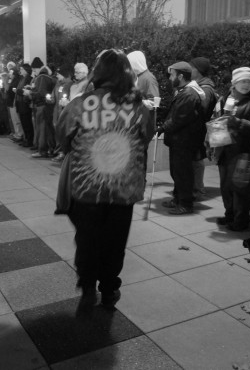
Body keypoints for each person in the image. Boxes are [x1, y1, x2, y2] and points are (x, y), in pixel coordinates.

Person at [56, 49, 154, 317]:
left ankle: (88, 286)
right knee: (115, 243)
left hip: (87, 189)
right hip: (123, 189)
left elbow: (64, 140)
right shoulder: (138, 107)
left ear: (97, 73)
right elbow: (145, 139)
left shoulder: (79, 104)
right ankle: (110, 289)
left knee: (87, 240)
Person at [215, 67, 250, 231]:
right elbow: (217, 120)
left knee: (240, 188)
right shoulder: (225, 99)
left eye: (249, 81)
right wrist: (212, 141)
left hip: (243, 151)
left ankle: (241, 220)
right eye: (242, 81)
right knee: (226, 186)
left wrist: (235, 121)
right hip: (225, 150)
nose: (246, 85)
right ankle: (229, 214)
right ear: (234, 82)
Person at [158, 62, 206, 215]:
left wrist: (163, 127)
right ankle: (178, 198)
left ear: (180, 76)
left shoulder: (189, 94)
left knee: (183, 173)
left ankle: (185, 203)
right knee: (177, 171)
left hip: (184, 141)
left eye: (172, 75)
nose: (170, 78)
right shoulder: (184, 91)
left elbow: (179, 118)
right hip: (179, 140)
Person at [189, 57, 218, 200]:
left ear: (199, 71)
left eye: (191, 67)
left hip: (199, 131)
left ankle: (198, 191)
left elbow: (200, 111)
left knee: (197, 160)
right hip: (197, 130)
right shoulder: (199, 86)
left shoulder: (205, 89)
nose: (189, 70)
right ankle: (195, 190)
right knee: (195, 160)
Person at [29, 65, 56, 158]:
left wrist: (30, 93)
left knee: (41, 129)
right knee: (45, 129)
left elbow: (41, 92)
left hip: (41, 105)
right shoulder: (50, 79)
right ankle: (47, 149)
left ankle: (42, 150)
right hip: (47, 106)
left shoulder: (41, 78)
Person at [51, 67, 73, 162]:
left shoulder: (70, 85)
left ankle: (62, 152)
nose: (57, 75)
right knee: (57, 132)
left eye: (59, 74)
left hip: (63, 112)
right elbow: (53, 98)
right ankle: (57, 150)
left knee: (62, 132)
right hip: (56, 112)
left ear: (64, 75)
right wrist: (49, 99)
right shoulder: (57, 84)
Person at [15, 63, 34, 147]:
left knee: (27, 123)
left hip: (25, 104)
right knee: (23, 122)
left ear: (26, 70)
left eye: (22, 69)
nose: (20, 70)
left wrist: (17, 91)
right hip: (20, 103)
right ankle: (26, 139)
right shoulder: (22, 78)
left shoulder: (29, 78)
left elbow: (25, 91)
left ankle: (29, 140)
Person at [5, 62, 24, 142]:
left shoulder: (17, 80)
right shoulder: (12, 80)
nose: (10, 75)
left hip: (14, 102)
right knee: (13, 119)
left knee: (16, 119)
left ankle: (19, 134)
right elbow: (7, 90)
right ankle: (16, 133)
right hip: (10, 101)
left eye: (11, 73)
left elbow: (13, 90)